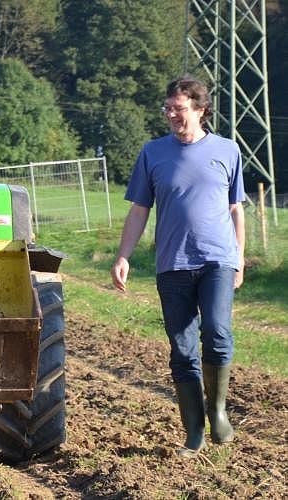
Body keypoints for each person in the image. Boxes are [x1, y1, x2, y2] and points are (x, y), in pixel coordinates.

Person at [111, 76, 246, 458]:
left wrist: (238, 259)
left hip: (217, 259)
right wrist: (123, 255)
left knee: (217, 333)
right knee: (182, 349)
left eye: (179, 108)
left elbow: (236, 210)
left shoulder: (227, 150)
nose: (171, 114)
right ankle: (194, 434)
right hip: (173, 263)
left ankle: (217, 411)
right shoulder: (153, 153)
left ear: (201, 110)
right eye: (167, 108)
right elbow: (139, 210)